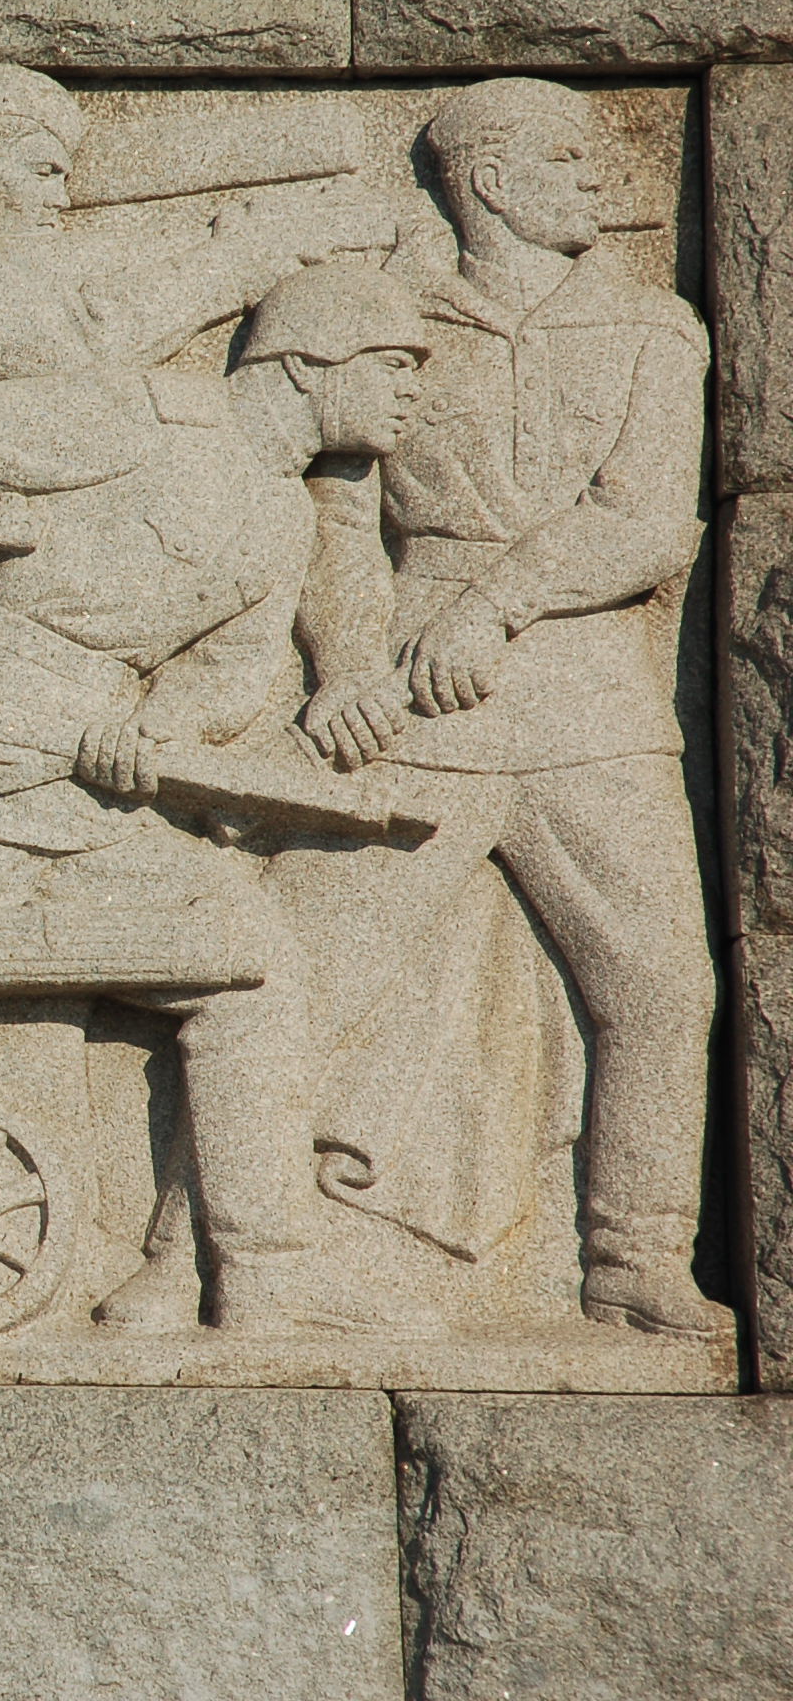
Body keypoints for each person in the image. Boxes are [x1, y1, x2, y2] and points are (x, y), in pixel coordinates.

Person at [0, 262, 425, 1334]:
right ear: (308, 362)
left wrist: (157, 725)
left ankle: (262, 1274)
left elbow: (232, 670)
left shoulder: (281, 517)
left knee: (250, 961)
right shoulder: (143, 414)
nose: (410, 390)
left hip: (84, 797)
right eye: (391, 364)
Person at [257, 79, 725, 1338]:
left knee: (658, 982)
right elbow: (333, 514)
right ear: (489, 182)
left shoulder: (651, 327)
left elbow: (643, 520)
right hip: (416, 693)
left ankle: (632, 1257)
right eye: (564, 158)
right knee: (288, 966)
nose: (594, 177)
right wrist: (341, 666)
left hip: (585, 695)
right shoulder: (389, 314)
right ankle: (207, 1246)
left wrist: (495, 607)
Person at [0, 62, 393, 439]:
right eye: (44, 172)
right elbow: (77, 342)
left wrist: (217, 237)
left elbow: (84, 266)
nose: (62, 199)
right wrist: (238, 263)